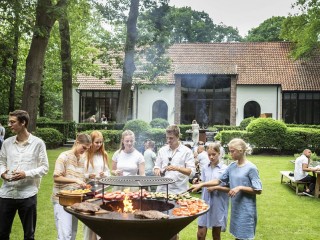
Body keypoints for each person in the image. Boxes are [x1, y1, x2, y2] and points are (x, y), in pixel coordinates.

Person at [191, 138, 262, 240]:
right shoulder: (232, 166)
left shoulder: (251, 168)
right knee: (238, 236)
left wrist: (240, 187)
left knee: (245, 236)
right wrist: (200, 185)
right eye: (229, 151)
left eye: (232, 151)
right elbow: (218, 181)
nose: (230, 153)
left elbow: (258, 190)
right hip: (235, 208)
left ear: (241, 150)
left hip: (247, 209)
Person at [0, 110, 49, 240]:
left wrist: (25, 174)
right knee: (2, 233)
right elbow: (1, 162)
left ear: (23, 123)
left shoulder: (38, 143)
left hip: (27, 194)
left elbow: (45, 168)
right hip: (6, 194)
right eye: (9, 122)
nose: (9, 125)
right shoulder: (7, 143)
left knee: (29, 235)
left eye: (12, 122)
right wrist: (2, 173)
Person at [52, 133, 92, 240]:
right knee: (65, 235)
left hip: (75, 201)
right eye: (84, 147)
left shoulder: (82, 159)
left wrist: (86, 182)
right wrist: (75, 180)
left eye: (87, 148)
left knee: (73, 233)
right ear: (77, 142)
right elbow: (56, 177)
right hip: (61, 200)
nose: (85, 150)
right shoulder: (63, 156)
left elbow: (81, 179)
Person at [197, 143, 229, 240]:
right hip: (205, 201)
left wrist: (216, 187)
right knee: (201, 233)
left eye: (214, 154)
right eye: (209, 154)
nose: (211, 157)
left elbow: (229, 188)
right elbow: (203, 181)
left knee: (216, 234)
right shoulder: (205, 167)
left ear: (219, 153)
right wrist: (198, 182)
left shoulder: (225, 168)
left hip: (218, 202)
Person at [154, 125, 196, 194]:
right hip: (162, 191)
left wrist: (177, 168)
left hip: (179, 192)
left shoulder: (187, 151)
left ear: (178, 137)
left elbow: (191, 173)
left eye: (171, 138)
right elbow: (156, 166)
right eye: (167, 138)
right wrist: (157, 170)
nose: (168, 141)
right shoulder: (162, 150)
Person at [83, 131, 110, 240]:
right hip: (88, 191)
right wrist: (88, 175)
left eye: (100, 142)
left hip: (101, 190)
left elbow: (108, 172)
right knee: (88, 218)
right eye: (96, 142)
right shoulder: (84, 155)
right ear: (91, 142)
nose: (99, 145)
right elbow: (79, 173)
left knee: (100, 217)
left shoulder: (103, 154)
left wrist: (105, 174)